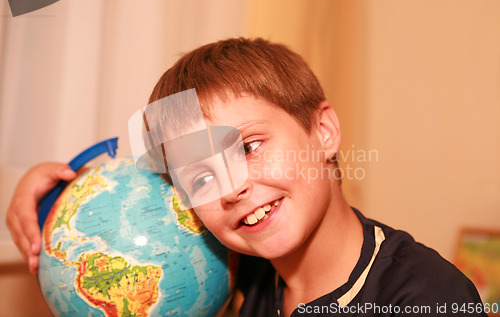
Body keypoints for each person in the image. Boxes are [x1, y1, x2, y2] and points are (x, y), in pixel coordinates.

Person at [7, 38, 487, 316]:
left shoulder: (427, 297)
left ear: (323, 132)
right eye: (200, 178)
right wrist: (41, 191)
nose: (232, 188)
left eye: (248, 147)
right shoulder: (243, 270)